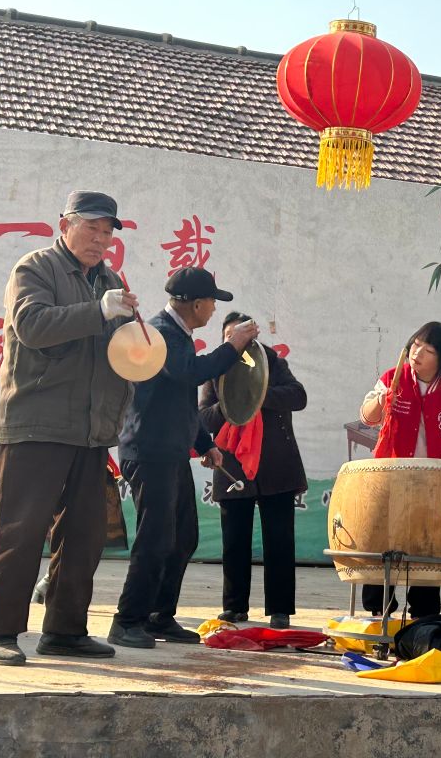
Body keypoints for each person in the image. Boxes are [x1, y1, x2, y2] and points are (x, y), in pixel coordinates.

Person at [0, 190, 137, 665]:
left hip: (91, 430)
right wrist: (100, 311)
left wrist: (135, 339)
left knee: (85, 536)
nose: (100, 239)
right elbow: (32, 326)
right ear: (64, 224)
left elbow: (114, 351)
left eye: (107, 232)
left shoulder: (109, 280)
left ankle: (65, 632)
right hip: (37, 423)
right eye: (91, 227)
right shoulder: (36, 268)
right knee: (20, 531)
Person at [108, 267, 258, 649]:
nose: (214, 309)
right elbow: (189, 373)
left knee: (182, 537)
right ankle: (127, 620)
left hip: (170, 451)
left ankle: (159, 615)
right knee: (155, 539)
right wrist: (233, 346)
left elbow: (182, 402)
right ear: (195, 304)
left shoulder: (179, 336)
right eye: (211, 302)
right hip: (149, 451)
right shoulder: (159, 332)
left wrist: (205, 443)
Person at [359, 321, 441, 618]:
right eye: (415, 346)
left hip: (432, 479)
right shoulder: (394, 377)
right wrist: (380, 401)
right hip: (392, 473)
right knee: (383, 540)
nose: (417, 354)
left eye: (428, 351)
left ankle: (424, 612)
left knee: (427, 542)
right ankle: (378, 609)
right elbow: (367, 417)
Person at [199, 312, 307, 630]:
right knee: (234, 540)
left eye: (242, 334)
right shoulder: (216, 368)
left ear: (254, 337)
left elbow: (298, 396)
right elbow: (203, 418)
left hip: (276, 465)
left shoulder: (270, 361)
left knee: (279, 540)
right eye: (230, 336)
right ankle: (234, 607)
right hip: (232, 466)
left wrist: (258, 394)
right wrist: (232, 401)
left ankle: (280, 609)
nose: (236, 340)